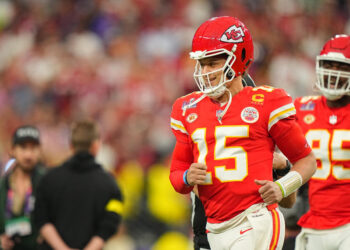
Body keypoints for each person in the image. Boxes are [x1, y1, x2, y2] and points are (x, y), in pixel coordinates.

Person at [169, 16, 316, 250]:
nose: (205, 72)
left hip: (254, 218)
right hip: (210, 227)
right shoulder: (187, 108)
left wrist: (282, 182)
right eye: (202, 63)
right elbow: (177, 175)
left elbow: (302, 168)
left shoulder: (266, 102)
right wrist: (187, 176)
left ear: (237, 60)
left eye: (213, 63)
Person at [294, 34, 350, 250]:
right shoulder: (302, 107)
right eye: (328, 65)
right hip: (314, 221)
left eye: (341, 66)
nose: (332, 73)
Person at [34, 120, 123, 250]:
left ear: (71, 145)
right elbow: (110, 223)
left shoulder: (49, 178)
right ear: (96, 145)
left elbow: (41, 218)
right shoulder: (110, 184)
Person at [0, 125, 46, 250]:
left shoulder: (48, 182)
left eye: (33, 148)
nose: (28, 154)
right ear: (13, 150)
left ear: (39, 150)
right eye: (23, 147)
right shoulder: (3, 185)